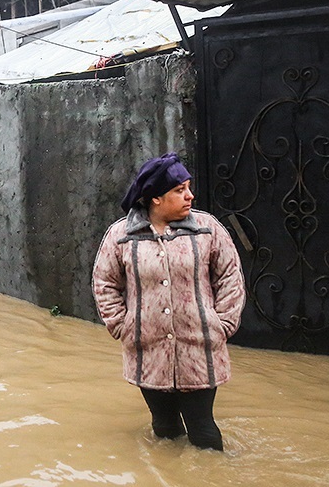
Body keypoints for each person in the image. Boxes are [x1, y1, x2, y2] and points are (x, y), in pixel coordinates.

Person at [91, 152, 246, 451]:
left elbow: (230, 277)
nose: (190, 195)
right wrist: (123, 326)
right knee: (164, 427)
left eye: (188, 187)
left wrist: (222, 324)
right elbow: (105, 283)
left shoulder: (207, 229)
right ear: (155, 198)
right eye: (179, 190)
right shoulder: (121, 236)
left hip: (200, 348)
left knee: (203, 431)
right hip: (147, 350)